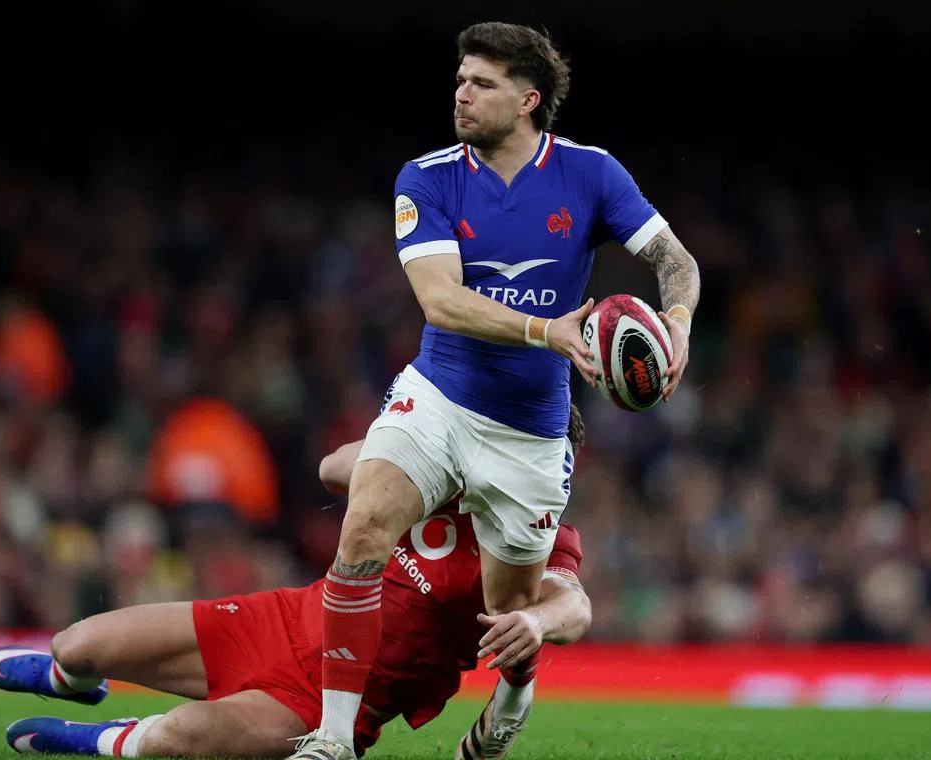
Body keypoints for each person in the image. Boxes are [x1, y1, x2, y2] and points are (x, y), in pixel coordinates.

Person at [290, 21, 701, 760]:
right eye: (459, 80)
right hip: (440, 395)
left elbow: (676, 261)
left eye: (481, 83)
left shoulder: (592, 173)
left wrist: (677, 323)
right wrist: (551, 332)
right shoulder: (427, 178)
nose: (462, 93)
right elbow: (441, 301)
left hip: (532, 432)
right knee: (363, 529)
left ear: (528, 99)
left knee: (509, 611)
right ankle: (330, 740)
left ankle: (510, 703)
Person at [0, 405, 592, 760]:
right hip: (283, 621)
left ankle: (96, 741)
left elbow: (574, 604)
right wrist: (422, 453)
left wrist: (536, 622)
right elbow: (331, 469)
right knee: (75, 646)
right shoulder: (436, 471)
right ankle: (72, 682)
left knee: (184, 737)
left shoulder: (540, 540)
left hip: (332, 701)